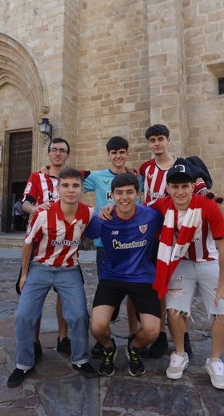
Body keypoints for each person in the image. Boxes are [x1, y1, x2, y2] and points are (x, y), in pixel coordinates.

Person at [7, 168, 98, 387]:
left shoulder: (89, 213)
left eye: (75, 186)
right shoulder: (43, 213)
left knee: (78, 315)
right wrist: (25, 274)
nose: (70, 190)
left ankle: (80, 359)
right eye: (65, 185)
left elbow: (101, 227)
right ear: (58, 189)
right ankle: (23, 363)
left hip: (68, 270)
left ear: (82, 189)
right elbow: (28, 243)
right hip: (40, 268)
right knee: (24, 316)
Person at [150, 159, 224, 390]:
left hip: (209, 261)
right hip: (182, 263)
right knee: (175, 310)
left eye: (184, 186)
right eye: (174, 186)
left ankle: (215, 359)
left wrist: (221, 285)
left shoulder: (208, 207)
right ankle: (180, 353)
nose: (179, 191)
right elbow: (137, 212)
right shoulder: (162, 205)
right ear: (168, 188)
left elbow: (223, 247)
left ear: (192, 187)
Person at [138, 124, 219, 359]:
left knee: (178, 290)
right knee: (160, 288)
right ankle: (161, 337)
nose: (156, 144)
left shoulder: (183, 165)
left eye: (160, 139)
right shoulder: (146, 168)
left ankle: (183, 338)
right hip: (155, 237)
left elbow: (201, 189)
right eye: (152, 140)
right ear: (149, 143)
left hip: (179, 238)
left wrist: (210, 199)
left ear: (168, 140)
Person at [84, 172, 163, 377]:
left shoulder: (151, 215)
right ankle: (109, 349)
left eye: (129, 192)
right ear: (112, 195)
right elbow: (80, 230)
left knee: (152, 330)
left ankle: (134, 349)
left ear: (138, 193)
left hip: (143, 277)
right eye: (119, 193)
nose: (124, 197)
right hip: (112, 277)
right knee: (97, 326)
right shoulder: (103, 219)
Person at [82, 136, 144, 358]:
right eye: (113, 153)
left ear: (127, 154)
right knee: (106, 294)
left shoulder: (137, 178)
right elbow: (72, 181)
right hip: (106, 246)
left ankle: (133, 335)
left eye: (121, 152)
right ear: (108, 155)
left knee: (135, 294)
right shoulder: (97, 177)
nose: (118, 156)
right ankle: (104, 338)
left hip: (135, 243)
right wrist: (49, 168)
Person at [21, 137, 81, 357]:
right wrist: (36, 209)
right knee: (34, 297)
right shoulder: (37, 176)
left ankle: (63, 337)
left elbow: (104, 175)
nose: (57, 154)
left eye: (62, 150)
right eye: (54, 150)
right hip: (39, 245)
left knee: (64, 295)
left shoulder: (74, 175)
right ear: (48, 154)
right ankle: (34, 342)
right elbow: (25, 202)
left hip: (66, 247)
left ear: (67, 155)